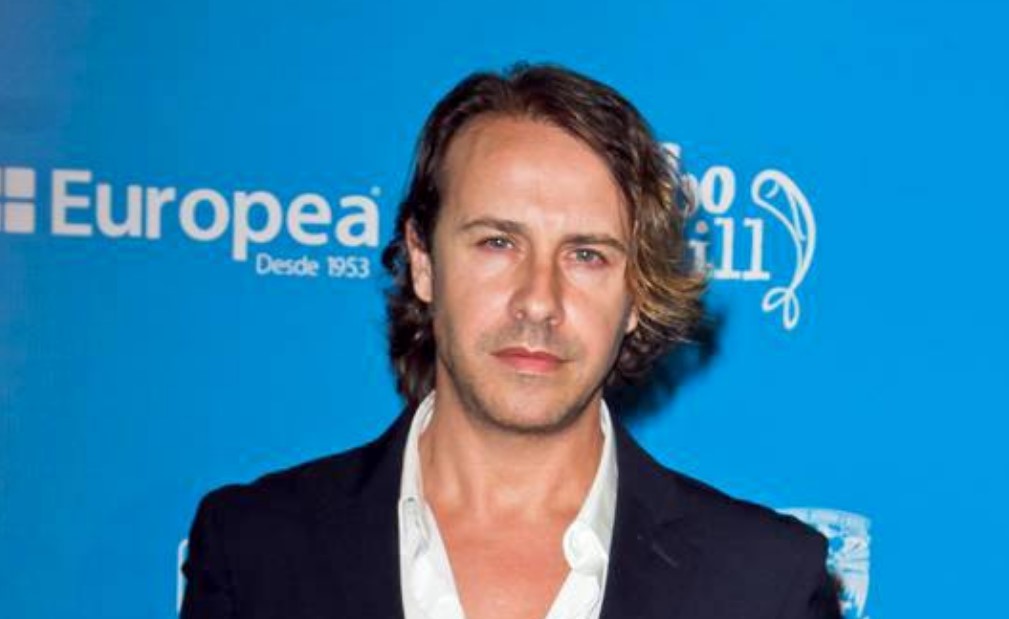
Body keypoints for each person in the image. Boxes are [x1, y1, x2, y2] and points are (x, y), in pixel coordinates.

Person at [181, 63, 840, 619]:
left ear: (637, 294)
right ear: (422, 259)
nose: (538, 300)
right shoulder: (256, 552)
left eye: (586, 255)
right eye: (498, 242)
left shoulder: (764, 586)